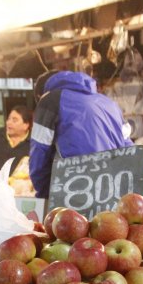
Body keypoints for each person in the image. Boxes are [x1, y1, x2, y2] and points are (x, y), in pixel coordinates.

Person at [29, 70, 133, 198]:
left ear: (42, 95)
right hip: (112, 192)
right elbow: (129, 149)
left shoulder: (49, 101)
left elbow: (39, 154)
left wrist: (45, 194)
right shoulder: (110, 103)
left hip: (75, 193)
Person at [0, 105, 32, 171]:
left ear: (26, 125)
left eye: (14, 120)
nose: (9, 123)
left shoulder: (33, 143)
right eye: (9, 119)